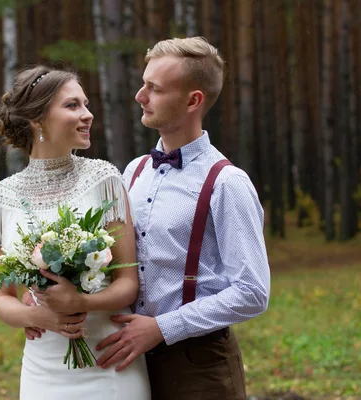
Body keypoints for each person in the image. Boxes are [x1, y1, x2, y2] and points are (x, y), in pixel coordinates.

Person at [94, 37, 271, 399]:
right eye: (143, 84)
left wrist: (163, 327)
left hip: (198, 364)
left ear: (193, 100)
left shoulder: (227, 183)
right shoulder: (134, 171)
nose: (140, 96)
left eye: (154, 89)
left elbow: (253, 292)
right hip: (130, 359)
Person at [0, 65, 151, 399]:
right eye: (73, 105)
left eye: (86, 104)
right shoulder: (3, 196)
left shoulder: (104, 179)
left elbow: (128, 283)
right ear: (37, 119)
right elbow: (0, 296)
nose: (87, 115)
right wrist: (38, 316)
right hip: (43, 369)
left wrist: (80, 301)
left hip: (109, 358)